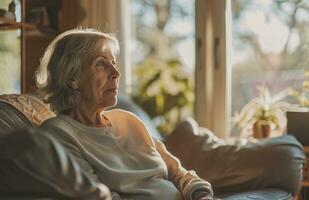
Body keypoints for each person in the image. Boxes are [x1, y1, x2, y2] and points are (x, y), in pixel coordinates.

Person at [36, 28, 215, 200]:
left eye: (113, 63)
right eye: (101, 64)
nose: (116, 73)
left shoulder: (128, 120)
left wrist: (202, 195)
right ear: (72, 78)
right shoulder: (58, 134)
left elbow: (178, 173)